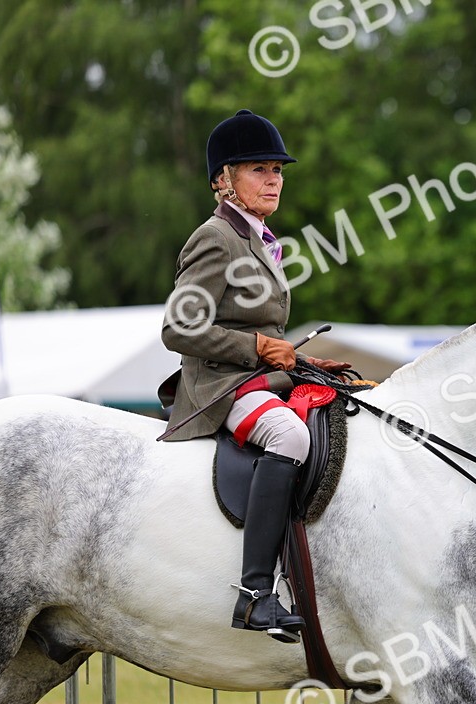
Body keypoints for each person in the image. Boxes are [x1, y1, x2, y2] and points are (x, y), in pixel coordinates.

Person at [158, 109, 351, 642]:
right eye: (259, 169)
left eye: (278, 170)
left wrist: (305, 362)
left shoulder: (258, 238)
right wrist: (257, 346)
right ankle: (254, 595)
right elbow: (179, 327)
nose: (274, 179)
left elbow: (261, 328)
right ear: (224, 180)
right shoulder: (216, 238)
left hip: (254, 377)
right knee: (288, 434)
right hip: (217, 387)